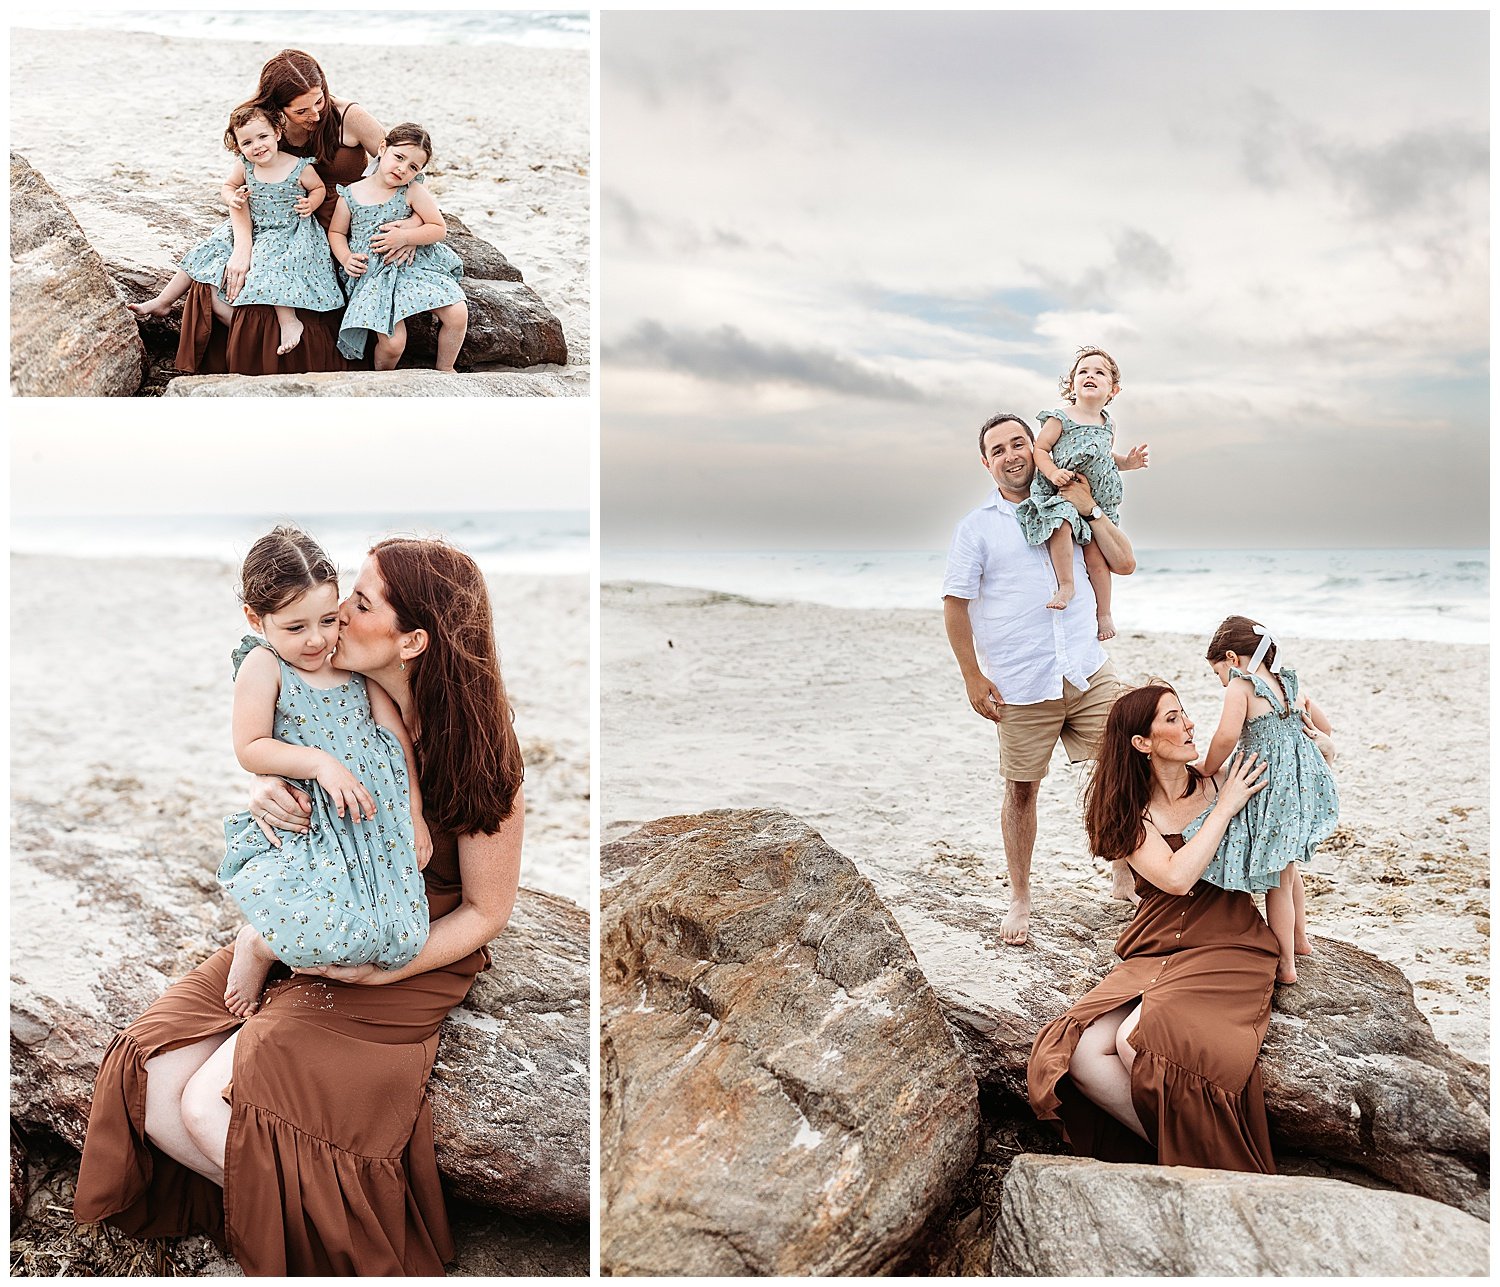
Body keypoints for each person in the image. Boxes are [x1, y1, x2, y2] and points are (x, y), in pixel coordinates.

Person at [74, 538, 525, 1275]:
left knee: (207, 1107)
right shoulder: (314, 683)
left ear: (411, 641)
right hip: (314, 911)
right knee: (154, 1085)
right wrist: (268, 792)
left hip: (409, 948)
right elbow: (265, 745)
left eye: (358, 602)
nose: (334, 618)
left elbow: (486, 912)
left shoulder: (476, 748)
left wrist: (382, 972)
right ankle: (273, 1221)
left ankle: (315, 1248)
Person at [1028, 683, 1278, 1172]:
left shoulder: (1219, 778)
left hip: (1228, 942)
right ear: (1142, 743)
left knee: (1133, 1040)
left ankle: (1198, 1158)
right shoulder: (1133, 814)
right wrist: (1224, 809)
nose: (1189, 725)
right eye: (1172, 718)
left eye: (1185, 714)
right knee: (1078, 1056)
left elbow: (1297, 768)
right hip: (1156, 944)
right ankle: (1179, 1154)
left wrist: (1309, 730)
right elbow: (1177, 878)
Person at [218, 526, 431, 1019]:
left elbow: (398, 744)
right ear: (256, 619)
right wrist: (319, 762)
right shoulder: (265, 667)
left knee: (398, 937)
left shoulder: (357, 671)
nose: (317, 639)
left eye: (329, 620)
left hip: (374, 830)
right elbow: (250, 747)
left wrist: (415, 813)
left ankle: (287, 954)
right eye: (295, 628)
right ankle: (257, 947)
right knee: (317, 924)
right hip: (318, 830)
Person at [943, 412, 1137, 946]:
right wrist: (972, 677)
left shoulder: (1071, 498)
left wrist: (1089, 508)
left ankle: (1124, 866)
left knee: (1128, 761)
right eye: (998, 449)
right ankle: (1021, 897)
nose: (1011, 455)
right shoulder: (976, 528)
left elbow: (1124, 563)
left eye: (1018, 443)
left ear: (1035, 447)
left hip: (1085, 666)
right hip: (1022, 681)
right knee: (1022, 790)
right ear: (986, 463)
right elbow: (955, 606)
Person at [173, 50, 418, 376]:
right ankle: (256, 354)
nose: (315, 114)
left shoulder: (350, 117)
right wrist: (243, 249)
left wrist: (410, 228)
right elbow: (243, 189)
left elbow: (406, 168)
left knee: (313, 305)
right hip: (282, 224)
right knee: (218, 282)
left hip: (346, 227)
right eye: (301, 109)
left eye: (319, 101)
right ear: (277, 108)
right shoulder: (262, 125)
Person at [131, 103, 343, 357]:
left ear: (277, 133)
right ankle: (163, 301)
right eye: (247, 142)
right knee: (203, 251)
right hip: (253, 226)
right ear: (239, 147)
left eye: (263, 137)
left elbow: (318, 188)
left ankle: (289, 321)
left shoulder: (299, 166)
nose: (257, 146)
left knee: (269, 263)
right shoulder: (246, 166)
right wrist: (233, 198)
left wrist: (312, 203)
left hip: (288, 230)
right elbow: (228, 186)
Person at [1194, 615, 1339, 984]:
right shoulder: (1290, 683)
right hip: (1300, 788)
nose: (1221, 681)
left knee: (1277, 877)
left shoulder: (1241, 686)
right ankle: (1301, 939)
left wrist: (1208, 768)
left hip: (1270, 790)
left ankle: (1286, 964)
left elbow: (1226, 738)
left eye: (1218, 673)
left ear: (1232, 657)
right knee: (1289, 869)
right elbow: (1324, 727)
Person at [1015, 347, 1150, 641]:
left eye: (1099, 372)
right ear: (1072, 384)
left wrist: (1127, 462)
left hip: (1098, 503)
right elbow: (1040, 449)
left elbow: (1103, 456)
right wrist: (1052, 473)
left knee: (1097, 559)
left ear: (1112, 390)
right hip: (1063, 491)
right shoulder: (1061, 418)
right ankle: (1066, 584)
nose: (1090, 376)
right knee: (1060, 525)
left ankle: (1104, 614)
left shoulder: (1108, 423)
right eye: (1083, 372)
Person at [331, 123, 469, 370]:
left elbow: (438, 227)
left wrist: (406, 238)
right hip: (374, 274)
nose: (403, 168)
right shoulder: (351, 194)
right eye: (399, 157)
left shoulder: (411, 190)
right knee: (394, 343)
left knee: (458, 314)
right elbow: (336, 232)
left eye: (413, 167)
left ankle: (446, 369)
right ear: (383, 148)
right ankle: (385, 379)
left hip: (413, 267)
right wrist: (345, 257)